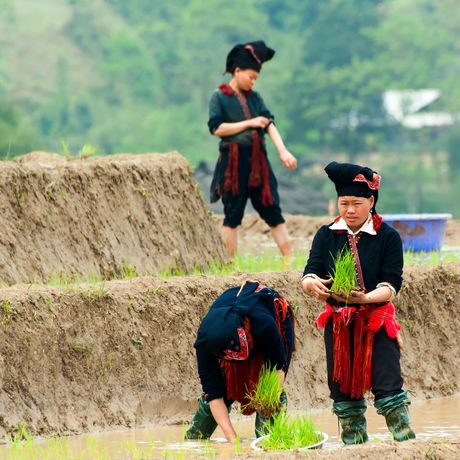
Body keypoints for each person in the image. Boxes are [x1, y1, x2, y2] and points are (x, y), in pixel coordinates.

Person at [300, 161, 416, 445]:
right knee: (342, 390)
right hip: (339, 322)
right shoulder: (326, 235)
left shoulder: (387, 237)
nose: (350, 210)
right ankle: (354, 447)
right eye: (344, 203)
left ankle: (407, 444)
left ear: (371, 201)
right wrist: (310, 284)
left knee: (388, 385)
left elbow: (391, 285)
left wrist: (364, 298)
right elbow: (310, 270)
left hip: (376, 321)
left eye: (356, 203)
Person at [208, 40, 297, 257]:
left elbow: (268, 123)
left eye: (256, 78)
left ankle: (289, 262)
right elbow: (217, 128)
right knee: (232, 215)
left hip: (258, 162)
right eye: (251, 77)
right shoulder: (219, 97)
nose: (253, 82)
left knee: (273, 209)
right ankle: (230, 266)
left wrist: (283, 150)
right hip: (233, 162)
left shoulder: (255, 98)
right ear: (237, 71)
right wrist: (249, 123)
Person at [185, 280, 295, 442]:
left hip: (270, 318)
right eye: (226, 357)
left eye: (233, 355)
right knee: (223, 386)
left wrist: (269, 401)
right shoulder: (205, 344)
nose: (231, 360)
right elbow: (214, 394)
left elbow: (278, 368)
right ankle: (195, 439)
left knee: (267, 391)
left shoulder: (263, 324)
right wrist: (232, 440)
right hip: (226, 335)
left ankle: (269, 438)